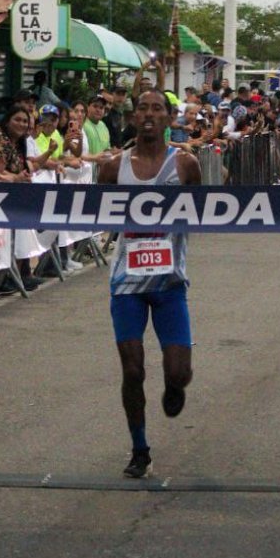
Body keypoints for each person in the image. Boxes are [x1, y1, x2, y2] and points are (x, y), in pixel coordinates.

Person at [99, 89, 201, 479]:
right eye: (142, 108)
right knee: (133, 370)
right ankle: (139, 448)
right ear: (132, 117)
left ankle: (175, 387)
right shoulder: (113, 168)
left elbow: (205, 210)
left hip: (170, 282)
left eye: (157, 108)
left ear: (169, 117)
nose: (148, 114)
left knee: (178, 373)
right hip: (126, 282)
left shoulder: (185, 165)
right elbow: (92, 212)